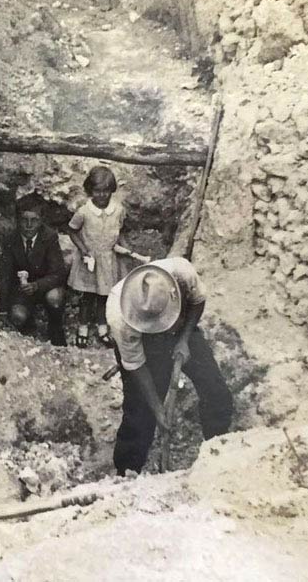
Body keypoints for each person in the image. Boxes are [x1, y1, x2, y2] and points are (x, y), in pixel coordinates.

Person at [106, 257, 234, 476]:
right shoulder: (120, 317)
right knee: (140, 410)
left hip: (183, 328)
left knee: (216, 391)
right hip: (146, 342)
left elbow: (198, 301)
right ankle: (127, 473)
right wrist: (158, 409)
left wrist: (184, 339)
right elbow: (136, 365)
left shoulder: (182, 273)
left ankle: (216, 452)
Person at [67, 165, 133, 348]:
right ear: (90, 190)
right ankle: (83, 328)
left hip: (109, 260)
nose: (102, 195)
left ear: (112, 190)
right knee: (87, 296)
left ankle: (102, 328)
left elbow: (121, 231)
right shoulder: (84, 212)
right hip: (90, 261)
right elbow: (72, 231)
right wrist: (83, 250)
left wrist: (125, 249)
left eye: (106, 191)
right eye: (97, 191)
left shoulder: (118, 210)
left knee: (104, 296)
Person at [0, 194, 68, 346]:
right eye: (24, 220)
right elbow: (5, 274)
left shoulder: (49, 237)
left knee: (55, 298)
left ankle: (55, 328)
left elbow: (58, 273)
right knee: (18, 316)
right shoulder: (11, 239)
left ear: (41, 220)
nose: (29, 225)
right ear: (17, 220)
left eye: (34, 220)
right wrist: (3, 308)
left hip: (45, 286)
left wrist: (37, 285)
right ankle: (29, 328)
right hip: (22, 291)